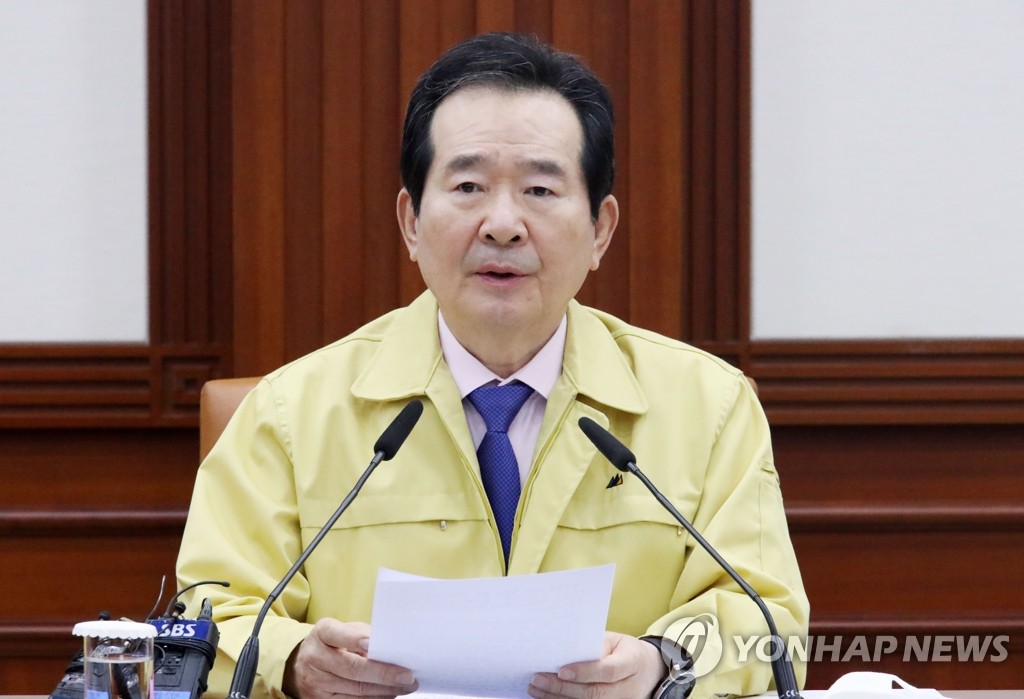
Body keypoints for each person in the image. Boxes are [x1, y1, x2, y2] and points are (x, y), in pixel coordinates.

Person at [176, 32, 809, 699]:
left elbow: (768, 624)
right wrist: (294, 661)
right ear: (411, 221)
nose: (502, 224)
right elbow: (204, 621)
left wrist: (663, 666)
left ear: (600, 229)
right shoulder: (289, 414)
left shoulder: (708, 407)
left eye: (540, 188)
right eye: (469, 186)